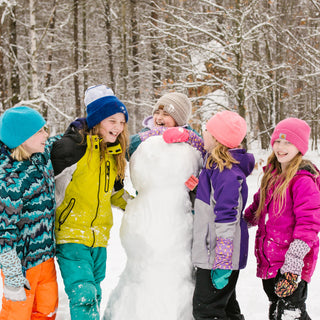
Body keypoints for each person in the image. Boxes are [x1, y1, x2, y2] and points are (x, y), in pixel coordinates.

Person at [50, 85, 130, 320]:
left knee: (94, 293)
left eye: (122, 122)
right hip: (71, 235)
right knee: (83, 294)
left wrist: (141, 206)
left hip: (99, 237)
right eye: (112, 121)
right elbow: (44, 181)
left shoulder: (112, 154)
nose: (118, 127)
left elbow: (116, 194)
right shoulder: (71, 148)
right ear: (96, 120)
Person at [244, 118, 320, 320]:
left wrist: (293, 264)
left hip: (292, 265)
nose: (281, 147)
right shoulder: (272, 175)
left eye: (288, 142)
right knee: (277, 312)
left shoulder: (303, 181)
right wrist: (241, 223)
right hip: (270, 261)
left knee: (290, 314)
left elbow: (309, 225)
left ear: (300, 147)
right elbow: (257, 208)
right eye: (278, 141)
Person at [192, 110, 255, 320]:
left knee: (207, 312)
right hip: (215, 254)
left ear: (218, 140)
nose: (203, 134)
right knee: (227, 308)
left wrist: (222, 259)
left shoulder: (225, 173)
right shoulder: (215, 167)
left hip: (217, 257)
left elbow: (227, 216)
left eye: (207, 131)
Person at [0, 106, 58, 320]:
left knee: (46, 310)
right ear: (21, 138)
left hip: (45, 258)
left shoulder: (39, 157)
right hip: (22, 266)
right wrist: (13, 274)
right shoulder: (9, 180)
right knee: (18, 313)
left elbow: (59, 143)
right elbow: (2, 231)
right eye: (39, 131)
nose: (46, 135)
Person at [127, 91, 197, 157]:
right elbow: (125, 149)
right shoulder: (148, 132)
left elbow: (203, 151)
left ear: (178, 121)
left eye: (165, 114)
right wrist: (145, 137)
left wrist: (187, 137)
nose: (159, 117)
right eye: (157, 113)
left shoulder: (189, 134)